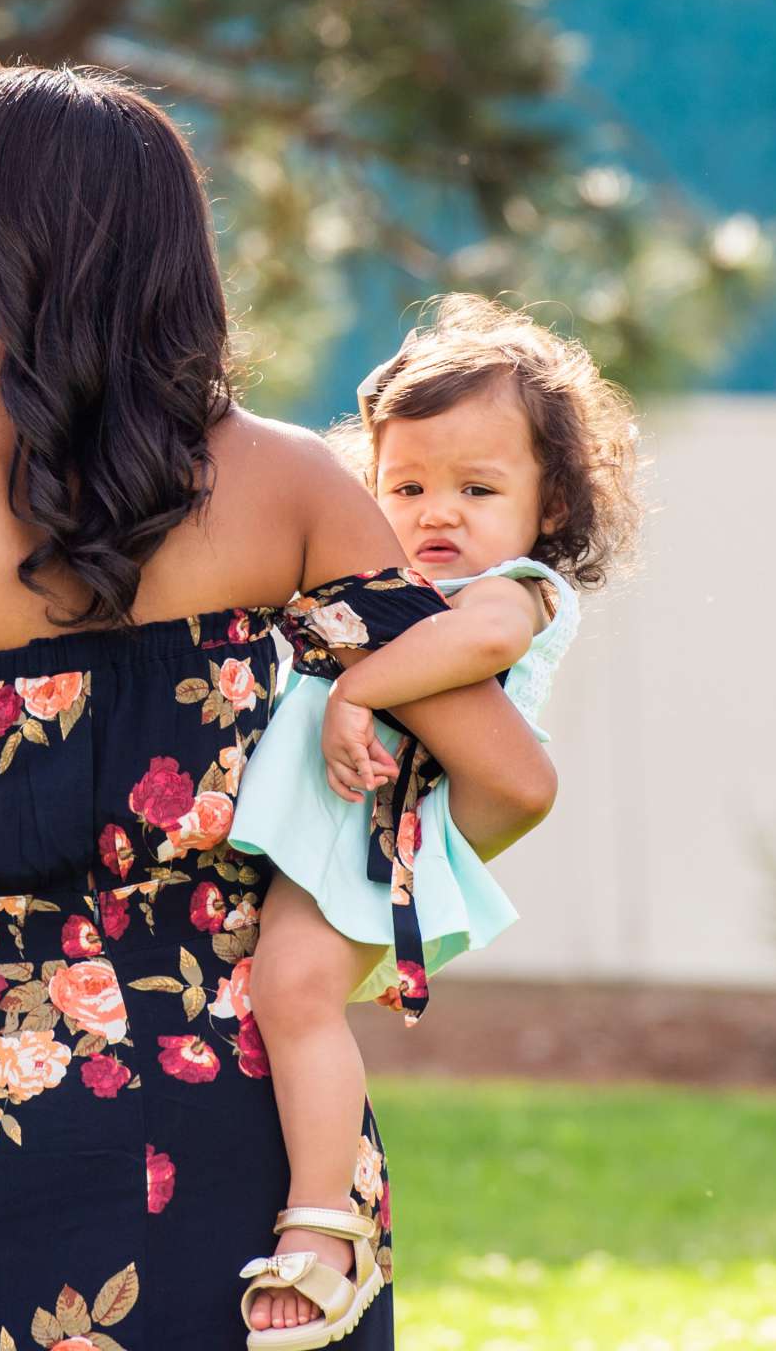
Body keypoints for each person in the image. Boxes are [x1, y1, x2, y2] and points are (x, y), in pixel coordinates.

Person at [0, 66, 558, 1351]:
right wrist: (327, 935)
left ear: (6, 244)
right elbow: (512, 781)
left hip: (2, 1146)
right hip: (278, 1171)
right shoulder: (295, 484)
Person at [228, 293, 643, 1342]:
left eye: (477, 486)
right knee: (278, 991)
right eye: (406, 485)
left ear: (549, 507)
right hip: (340, 819)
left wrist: (361, 692)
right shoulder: (389, 581)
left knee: (293, 993)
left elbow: (472, 647)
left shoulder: (520, 588)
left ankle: (322, 1218)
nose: (437, 511)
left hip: (381, 834)